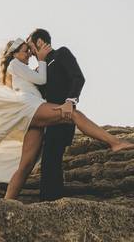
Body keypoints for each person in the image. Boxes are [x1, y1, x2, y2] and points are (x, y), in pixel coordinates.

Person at [0, 37, 134, 199]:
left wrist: (37, 60)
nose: (28, 54)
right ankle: (115, 143)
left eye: (29, 52)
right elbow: (40, 79)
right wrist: (40, 58)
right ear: (14, 54)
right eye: (24, 51)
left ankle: (8, 202)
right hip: (29, 108)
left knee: (26, 165)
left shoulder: (19, 67)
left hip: (32, 115)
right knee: (73, 114)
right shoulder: (14, 65)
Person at [26, 28, 104, 201]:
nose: (30, 53)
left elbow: (78, 78)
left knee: (52, 158)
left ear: (39, 42)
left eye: (31, 47)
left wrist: (70, 101)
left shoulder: (61, 54)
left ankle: (51, 204)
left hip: (65, 115)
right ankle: (50, 202)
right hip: (48, 120)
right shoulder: (41, 68)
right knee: (48, 161)